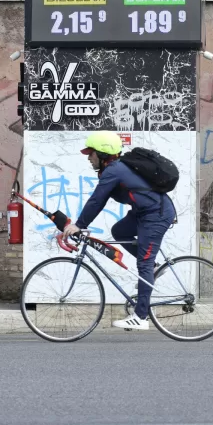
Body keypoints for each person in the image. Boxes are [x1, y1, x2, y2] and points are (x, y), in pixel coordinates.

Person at [62, 130, 176, 330]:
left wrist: (79, 225)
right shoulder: (114, 169)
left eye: (91, 153)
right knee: (119, 232)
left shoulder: (114, 170)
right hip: (142, 213)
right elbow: (100, 200)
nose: (89, 158)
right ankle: (154, 268)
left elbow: (97, 200)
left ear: (102, 153)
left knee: (144, 263)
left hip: (155, 216)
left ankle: (141, 317)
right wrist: (81, 224)